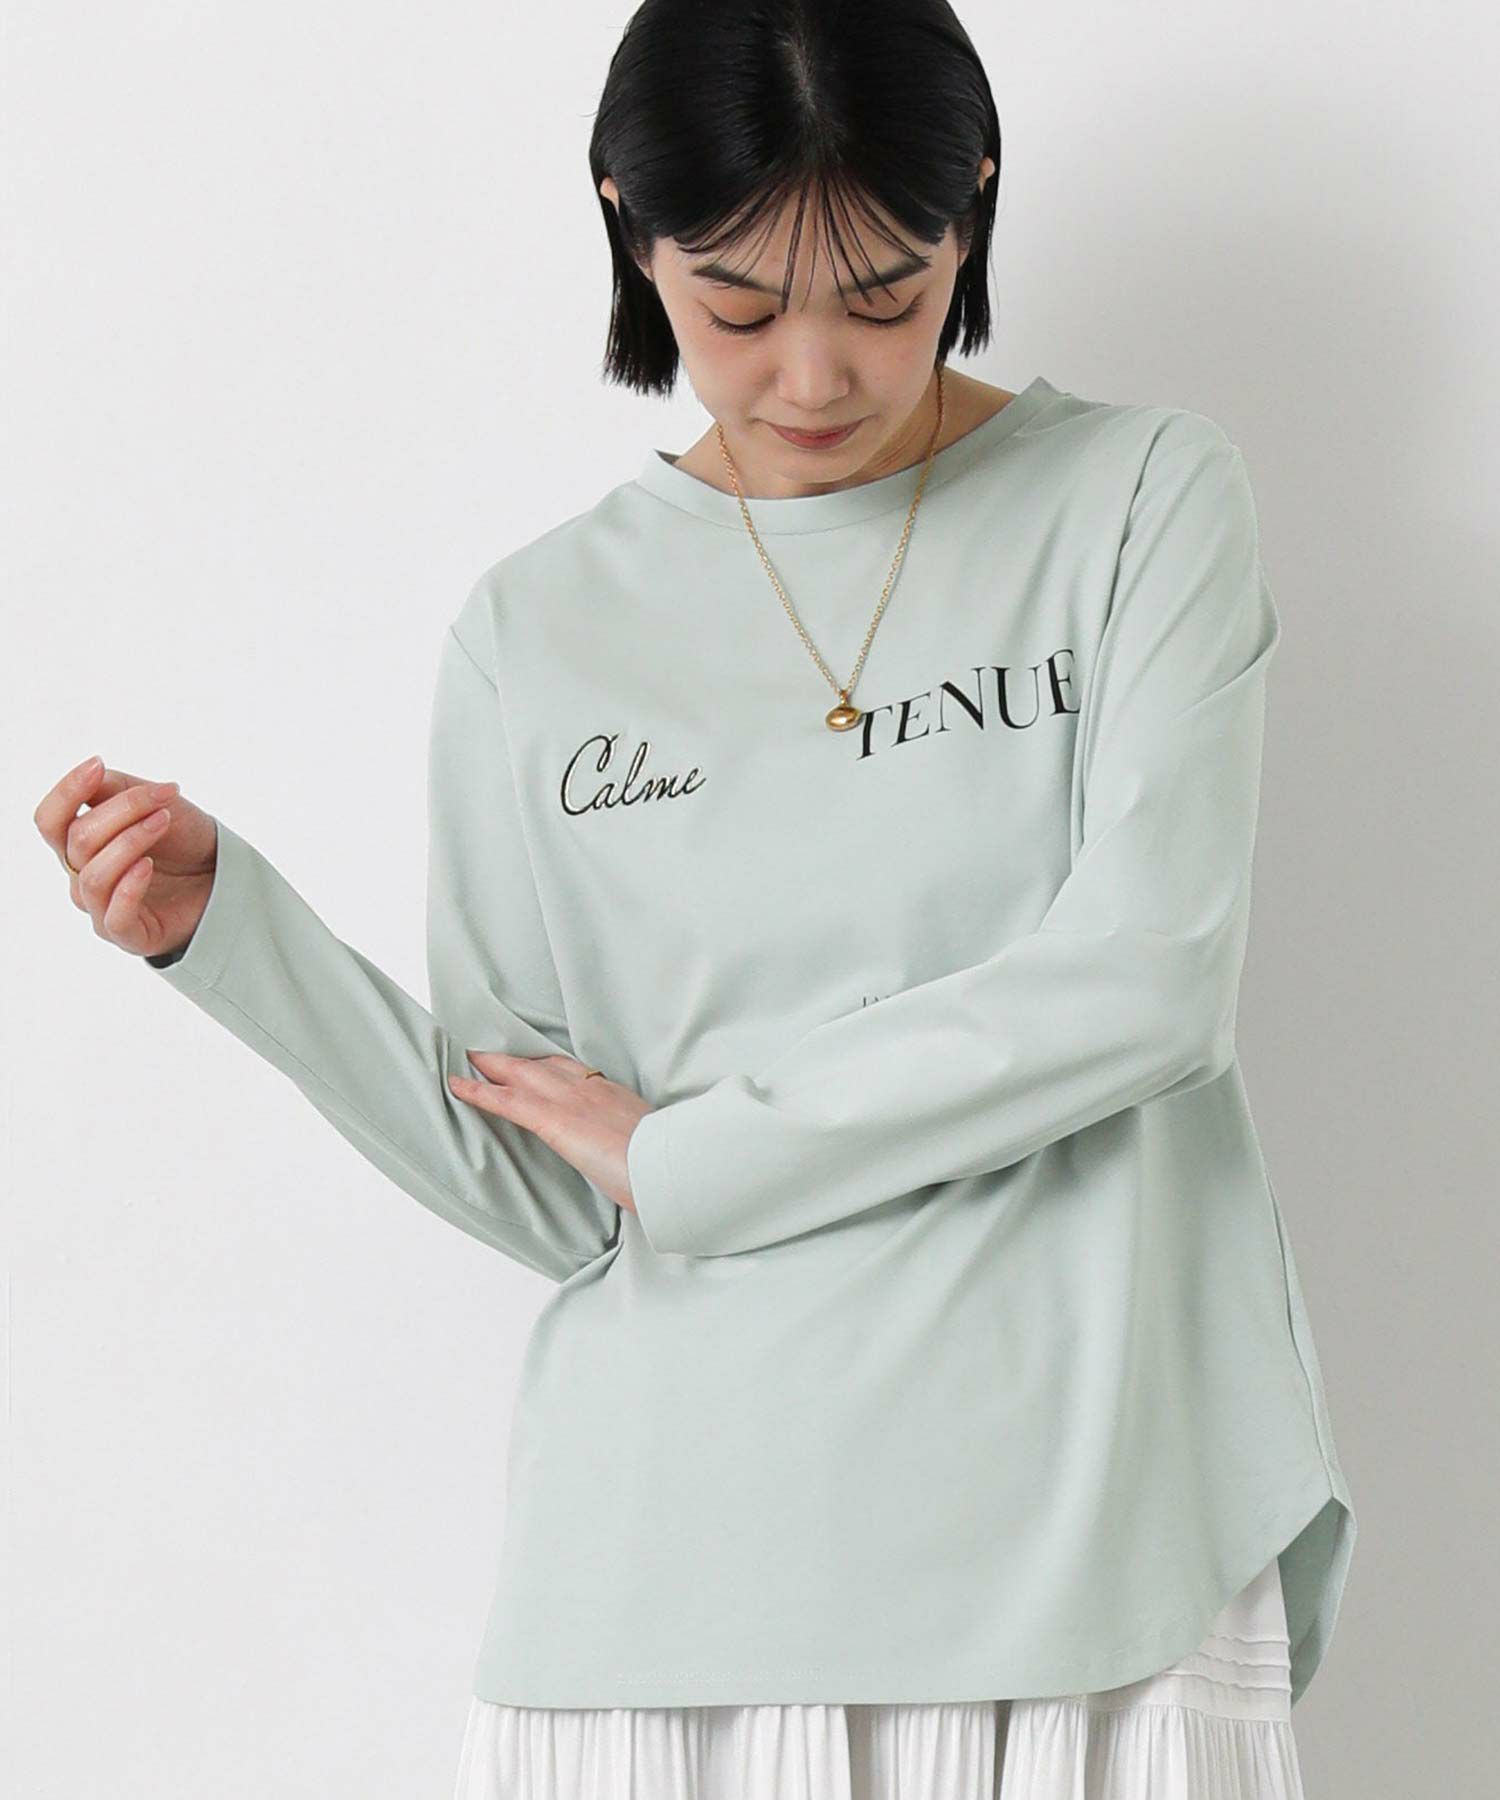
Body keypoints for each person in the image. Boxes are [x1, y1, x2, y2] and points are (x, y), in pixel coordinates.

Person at [35, 2, 1357, 1795]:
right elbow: (559, 1186)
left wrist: (702, 1153)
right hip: (661, 1588)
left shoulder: (1137, 501)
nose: (812, 376)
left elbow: (1149, 983)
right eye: (735, 309)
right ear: (629, 228)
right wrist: (231, 938)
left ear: (972, 204)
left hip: (1082, 1551)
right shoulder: (535, 631)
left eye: (884, 295)